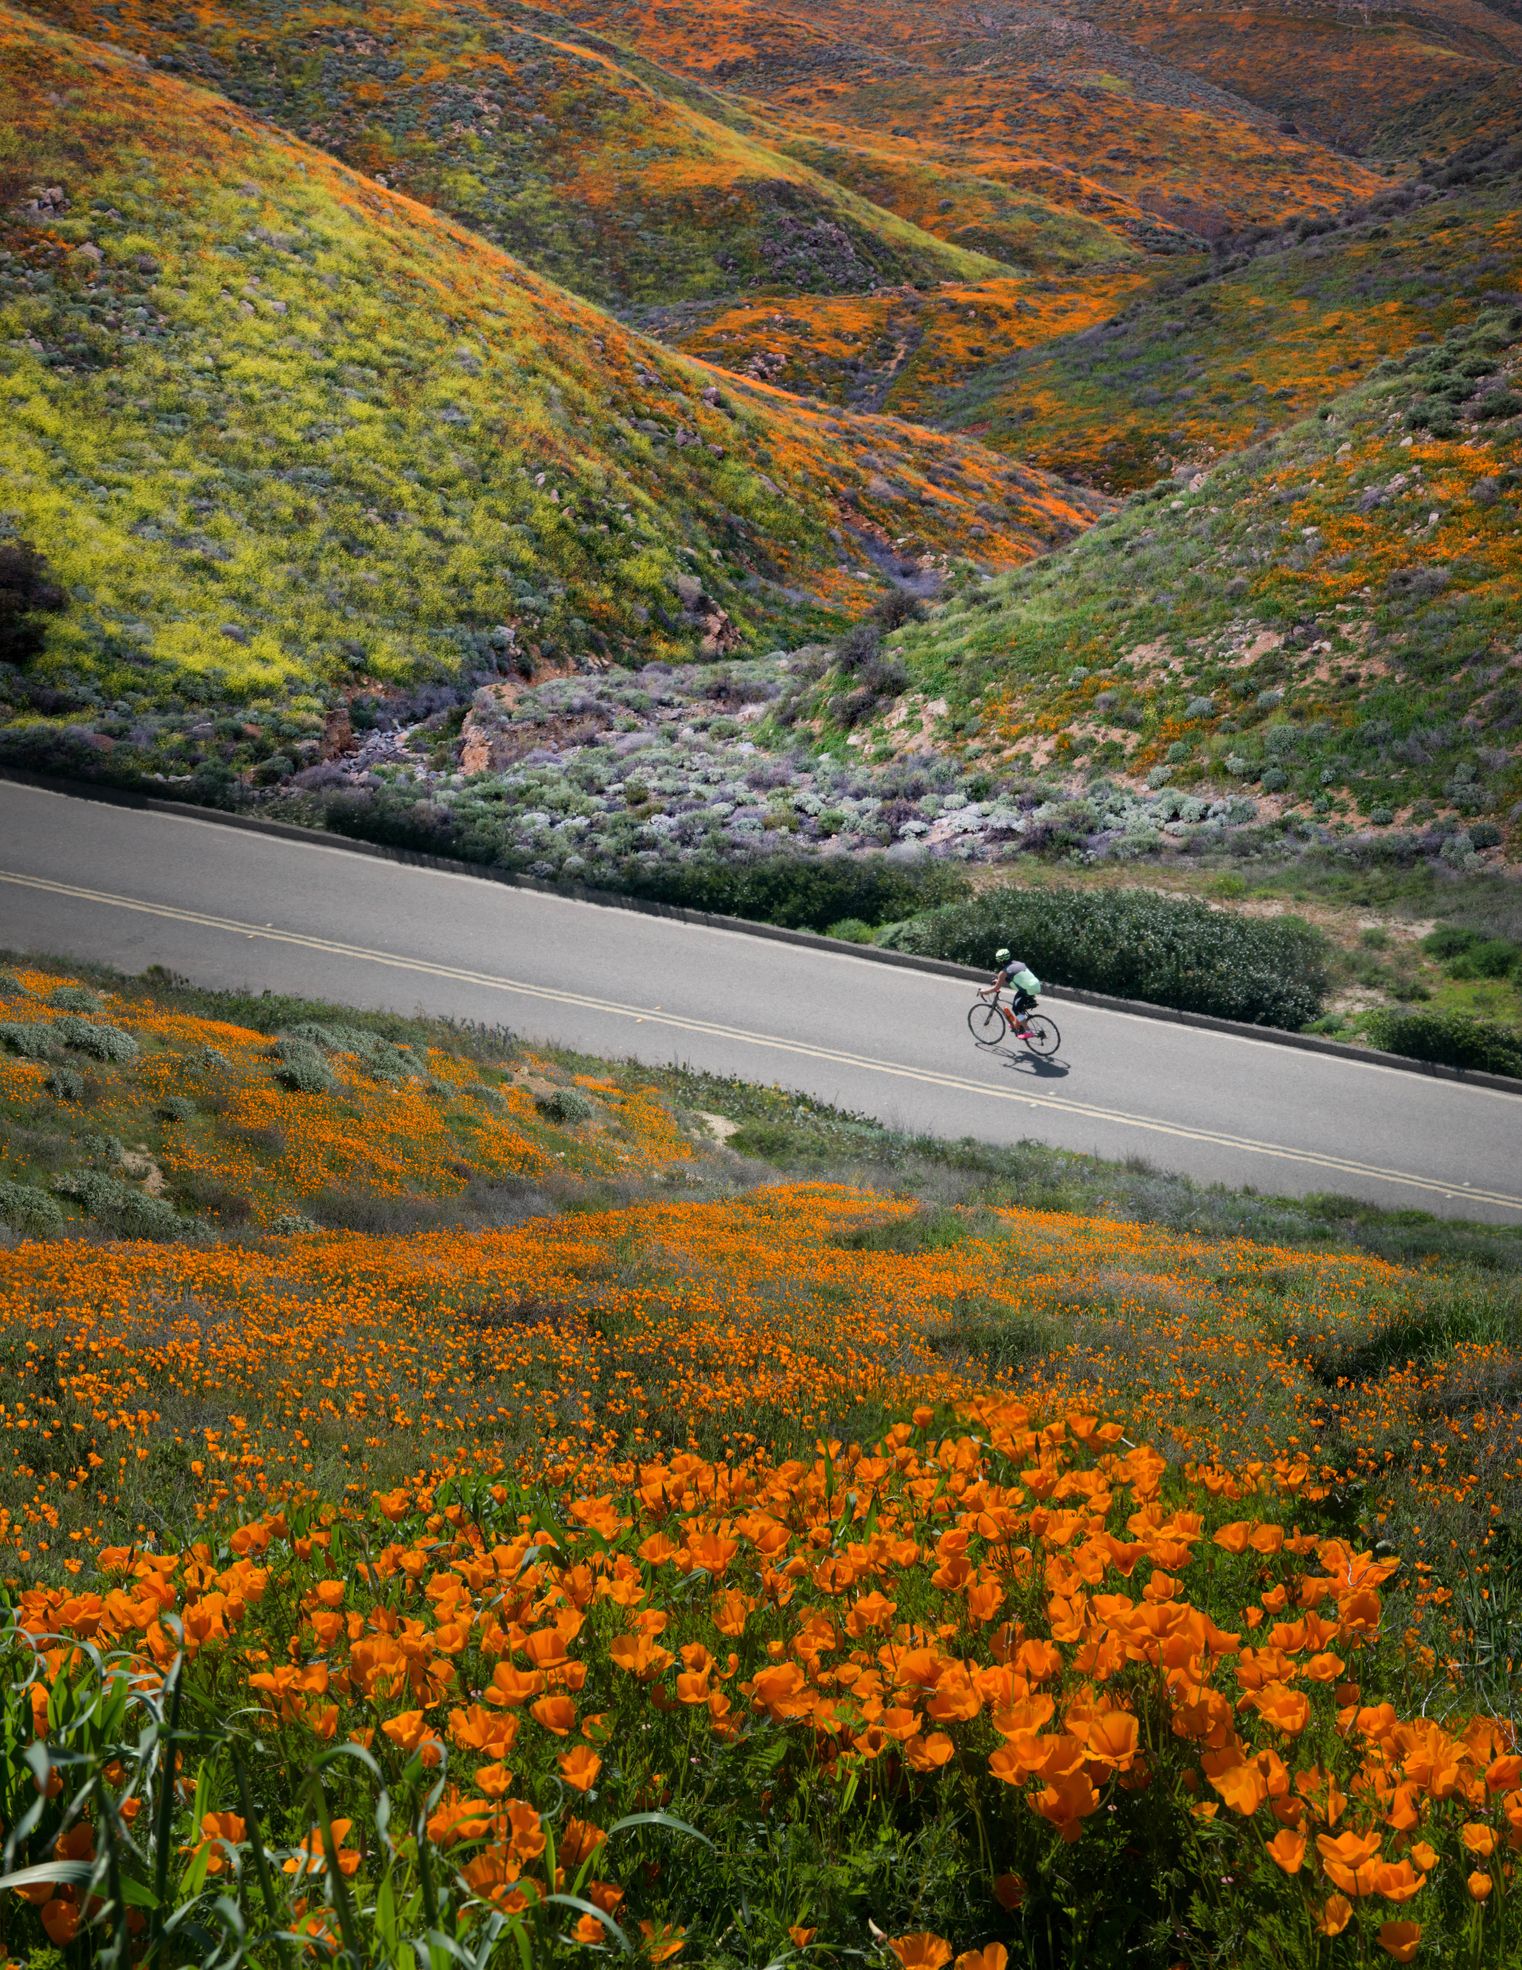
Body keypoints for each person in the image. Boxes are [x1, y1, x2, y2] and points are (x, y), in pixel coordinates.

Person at [993, 947, 1041, 1030]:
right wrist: (998, 981)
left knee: (1015, 1009)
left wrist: (983, 992)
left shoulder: (1003, 972)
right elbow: (1015, 980)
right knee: (1018, 1004)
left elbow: (996, 987)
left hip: (1027, 990)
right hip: (1036, 986)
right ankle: (1017, 1024)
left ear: (999, 961)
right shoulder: (1019, 964)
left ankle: (1028, 1031)